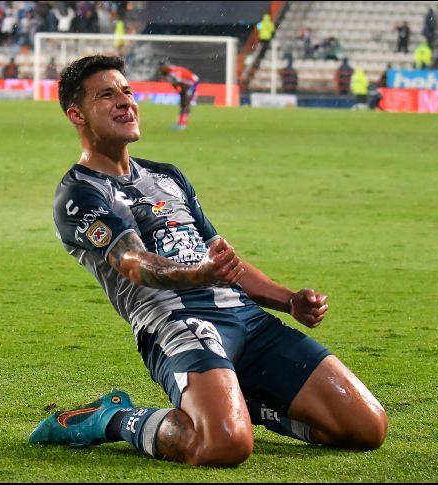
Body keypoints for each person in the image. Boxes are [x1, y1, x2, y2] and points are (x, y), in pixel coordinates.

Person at [28, 55, 388, 467]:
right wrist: (198, 274)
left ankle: (247, 406)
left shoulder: (167, 176)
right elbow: (134, 262)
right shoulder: (79, 194)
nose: (125, 102)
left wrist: (288, 301)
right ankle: (112, 418)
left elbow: (225, 260)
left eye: (127, 91)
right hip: (177, 323)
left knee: (367, 427)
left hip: (245, 319)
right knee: (222, 446)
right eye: (107, 95)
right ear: (76, 114)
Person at [157, 60, 199, 130]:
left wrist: (183, 93)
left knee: (185, 103)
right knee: (183, 103)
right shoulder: (165, 73)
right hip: (184, 84)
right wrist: (179, 91)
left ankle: (183, 124)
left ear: (165, 66)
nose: (160, 68)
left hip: (192, 83)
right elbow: (174, 84)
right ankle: (180, 123)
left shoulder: (174, 72)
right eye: (159, 66)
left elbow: (181, 83)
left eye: (162, 66)